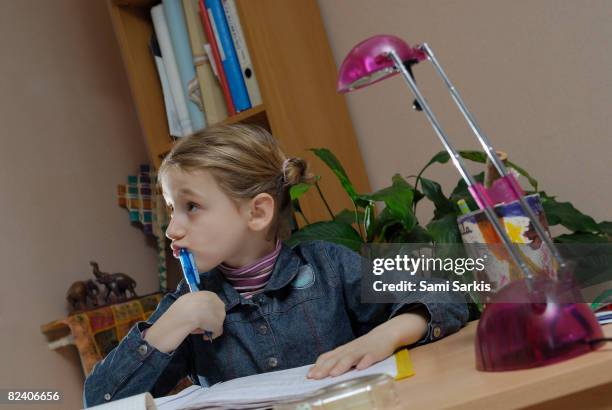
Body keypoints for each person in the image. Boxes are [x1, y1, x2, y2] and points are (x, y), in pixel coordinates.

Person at [83, 124, 468, 407]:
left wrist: (385, 336)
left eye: (192, 207)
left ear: (258, 212)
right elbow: (100, 399)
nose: (172, 229)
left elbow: (447, 290)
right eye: (171, 210)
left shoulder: (329, 263)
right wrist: (170, 326)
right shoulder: (189, 305)